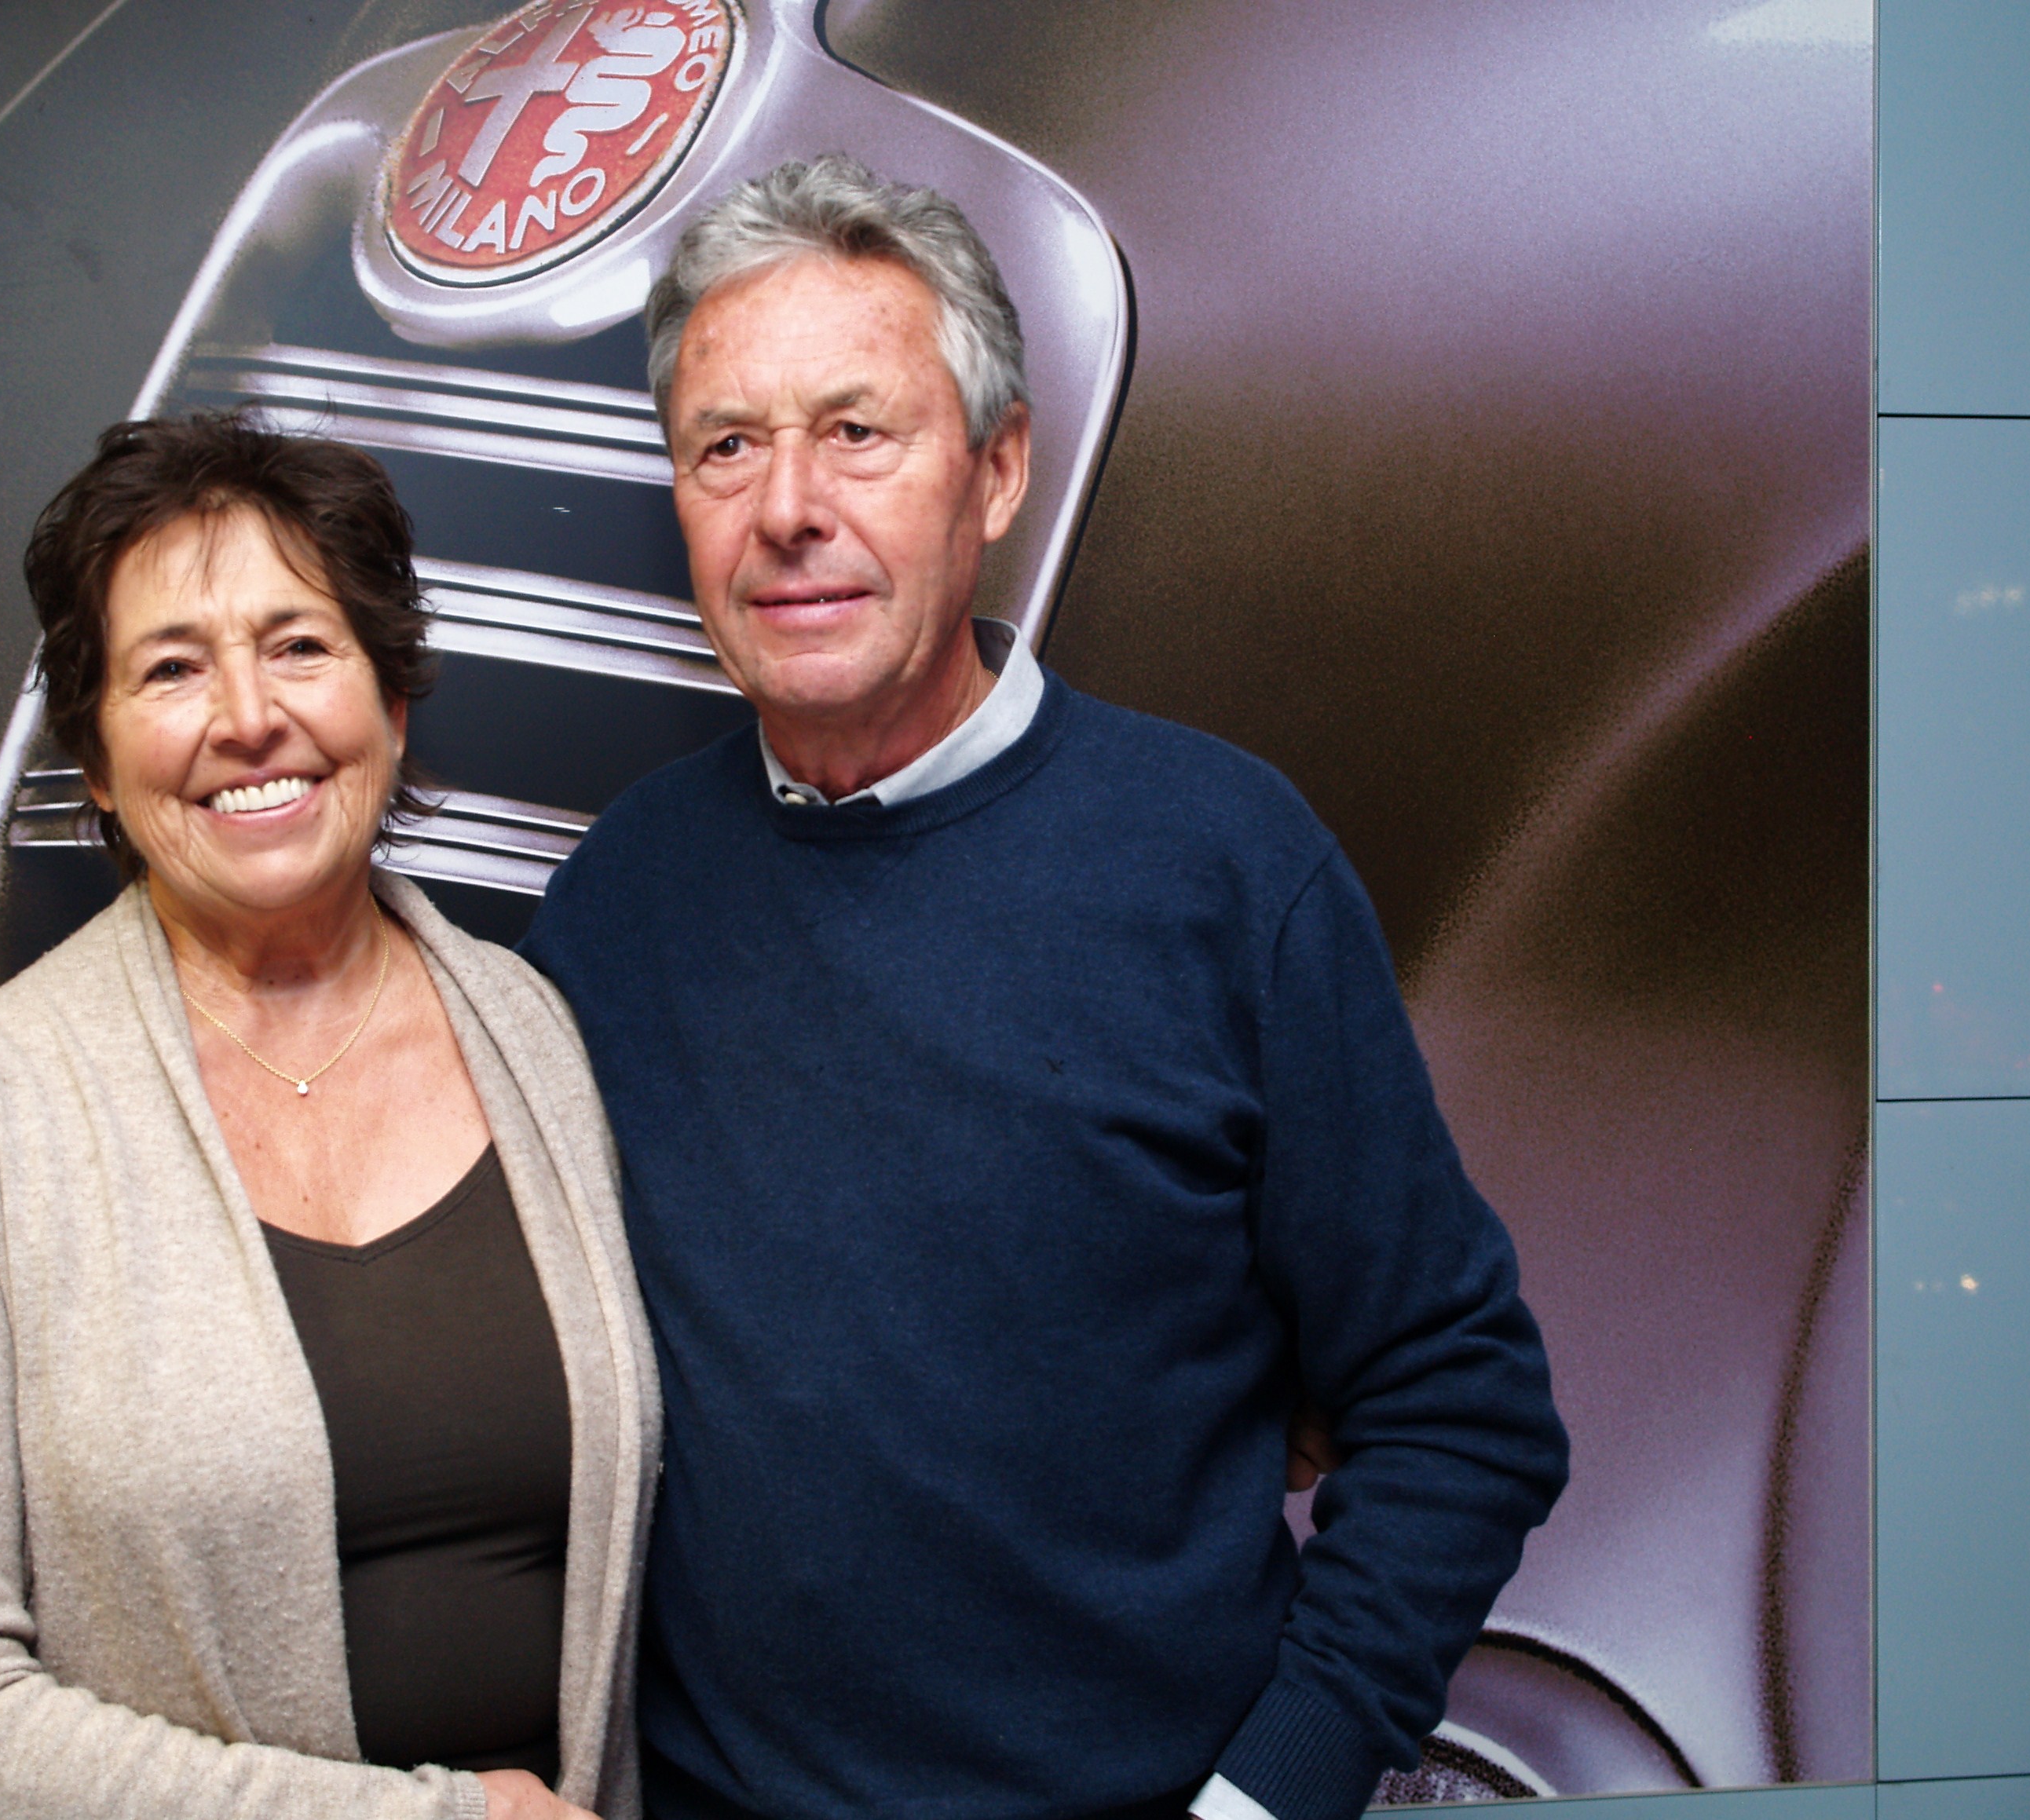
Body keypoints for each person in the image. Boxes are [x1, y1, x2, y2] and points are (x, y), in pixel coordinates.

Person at [520, 157, 1571, 1820]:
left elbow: (1461, 1401)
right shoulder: (619, 896)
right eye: (726, 446)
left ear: (997, 471)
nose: (786, 505)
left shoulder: (1223, 866)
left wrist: (1268, 1795)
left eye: (856, 431)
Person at [0, 415, 658, 1820]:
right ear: (97, 757)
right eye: (172, 668)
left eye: (301, 644)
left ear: (392, 701)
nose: (249, 716)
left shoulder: (535, 1032)